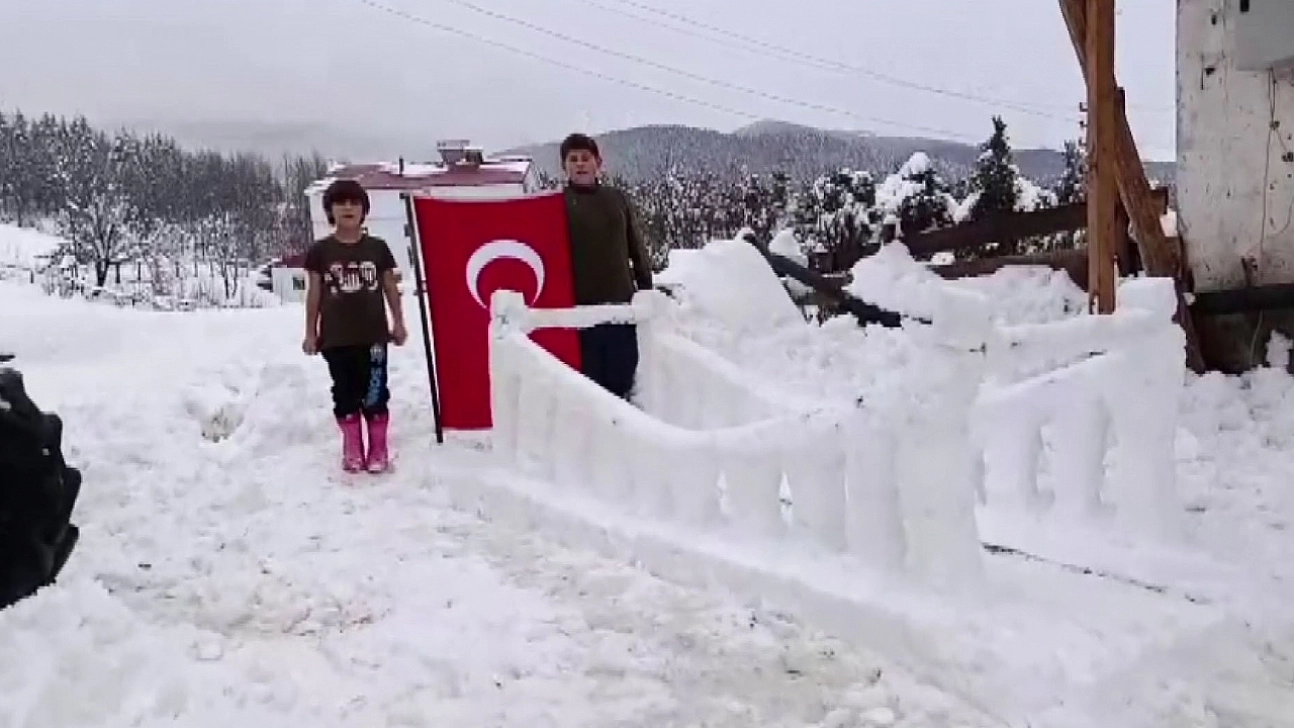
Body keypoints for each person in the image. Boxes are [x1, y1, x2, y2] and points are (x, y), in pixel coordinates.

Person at [303, 179, 408, 473]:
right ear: (330, 211)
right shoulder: (320, 251)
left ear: (363, 211)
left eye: (354, 203)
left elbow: (390, 287)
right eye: (341, 203)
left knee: (375, 392)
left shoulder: (377, 248)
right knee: (345, 393)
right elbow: (314, 293)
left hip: (374, 337)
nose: (348, 208)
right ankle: (352, 447)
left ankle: (378, 447)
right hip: (336, 339)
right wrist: (311, 332)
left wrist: (398, 323)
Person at [560, 133, 653, 400]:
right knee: (588, 387)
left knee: (622, 378)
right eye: (573, 159)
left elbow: (635, 244)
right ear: (564, 166)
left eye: (586, 158)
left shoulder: (616, 199)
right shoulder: (556, 204)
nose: (580, 164)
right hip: (578, 310)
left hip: (620, 306)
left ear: (598, 162)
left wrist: (646, 286)